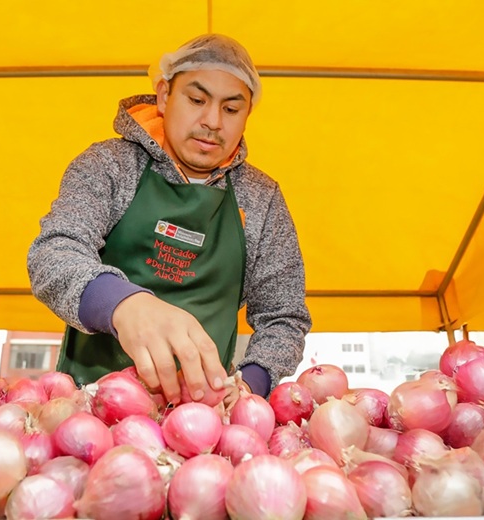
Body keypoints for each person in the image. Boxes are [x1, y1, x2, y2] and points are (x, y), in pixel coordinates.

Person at [27, 34, 311, 406]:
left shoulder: (261, 198)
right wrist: (124, 305)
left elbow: (284, 316)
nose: (212, 122)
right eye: (196, 100)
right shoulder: (110, 165)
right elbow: (53, 254)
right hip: (89, 406)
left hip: (201, 417)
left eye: (231, 109)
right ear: (163, 95)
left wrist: (249, 385)